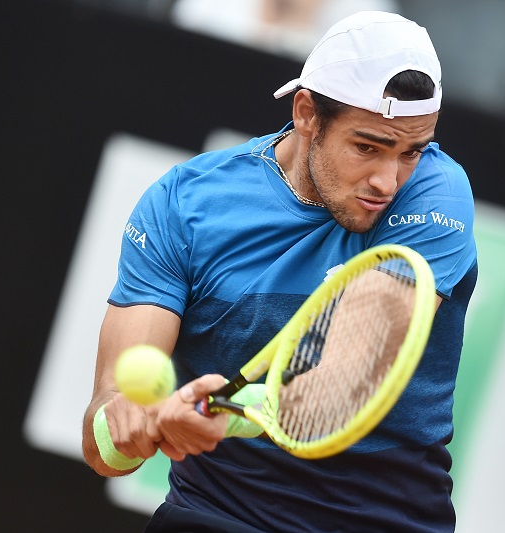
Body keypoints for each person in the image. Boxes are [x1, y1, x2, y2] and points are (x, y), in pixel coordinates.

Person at [82, 10, 477, 532]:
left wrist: (224, 411)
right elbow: (103, 449)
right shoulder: (183, 204)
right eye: (367, 147)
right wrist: (125, 420)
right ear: (307, 112)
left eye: (412, 151)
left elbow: (339, 387)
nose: (388, 180)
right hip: (215, 517)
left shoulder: (436, 194)